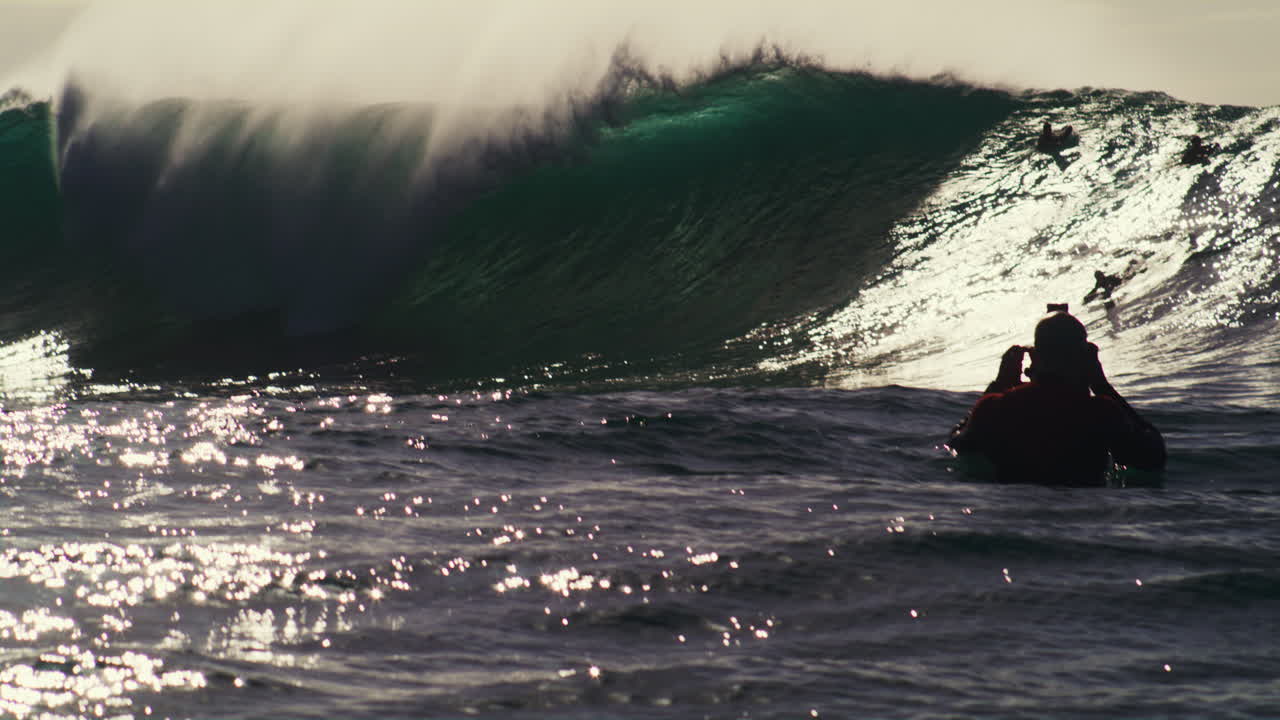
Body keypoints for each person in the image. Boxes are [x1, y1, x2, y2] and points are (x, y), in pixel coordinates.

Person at [947, 308, 1165, 486]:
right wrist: (1101, 385)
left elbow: (957, 443)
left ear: (1035, 356)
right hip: (1085, 513)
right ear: (1084, 358)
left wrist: (1000, 384)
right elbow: (1152, 456)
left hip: (1014, 513)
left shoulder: (997, 407)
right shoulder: (1102, 412)